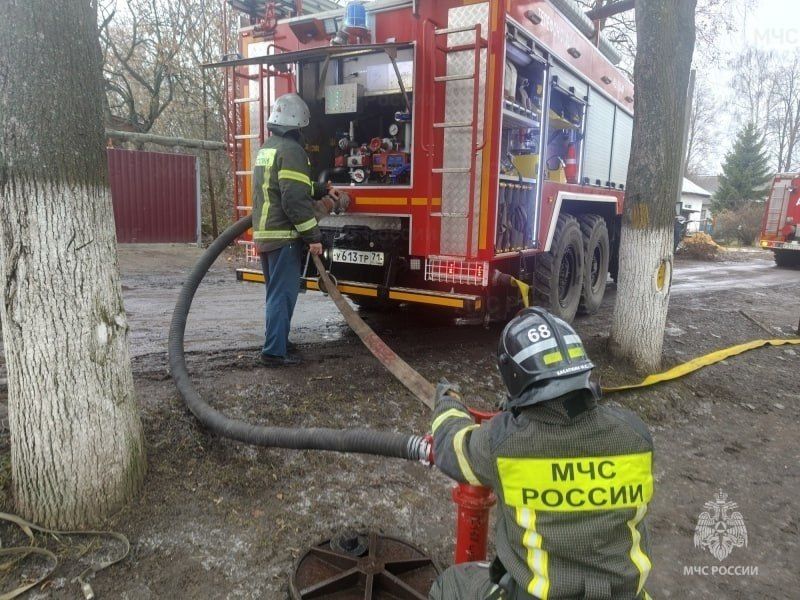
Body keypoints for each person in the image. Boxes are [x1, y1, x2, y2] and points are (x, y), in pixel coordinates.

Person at [429, 308, 654, 600]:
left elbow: (449, 446)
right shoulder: (635, 434)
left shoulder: (504, 445)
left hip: (542, 594)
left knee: (452, 582)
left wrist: (448, 402)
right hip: (627, 596)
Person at [252, 93, 348, 366]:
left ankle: (278, 342)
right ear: (298, 123)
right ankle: (274, 353)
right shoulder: (293, 151)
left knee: (276, 294)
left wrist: (322, 188)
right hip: (285, 236)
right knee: (283, 295)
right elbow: (293, 200)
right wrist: (314, 237)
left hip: (268, 234)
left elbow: (292, 186)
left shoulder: (268, 147)